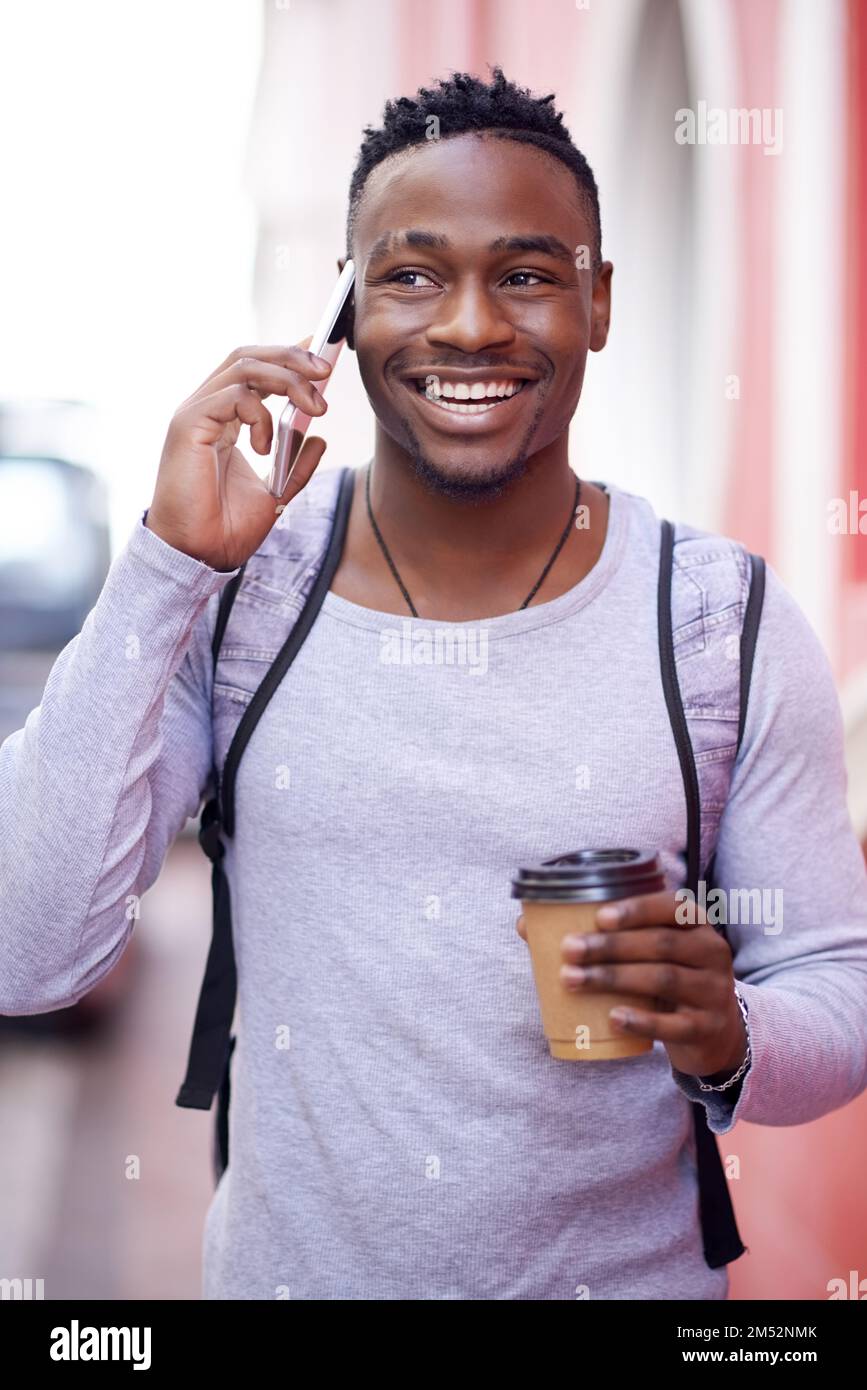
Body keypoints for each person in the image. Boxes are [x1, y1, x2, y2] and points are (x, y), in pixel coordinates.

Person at [2, 67, 866, 1301]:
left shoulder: (717, 620)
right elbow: (24, 949)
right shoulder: (243, 596)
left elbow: (839, 984)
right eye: (410, 275)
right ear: (344, 317)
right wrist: (166, 566)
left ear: (599, 301)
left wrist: (737, 1035)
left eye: (526, 273)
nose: (468, 325)